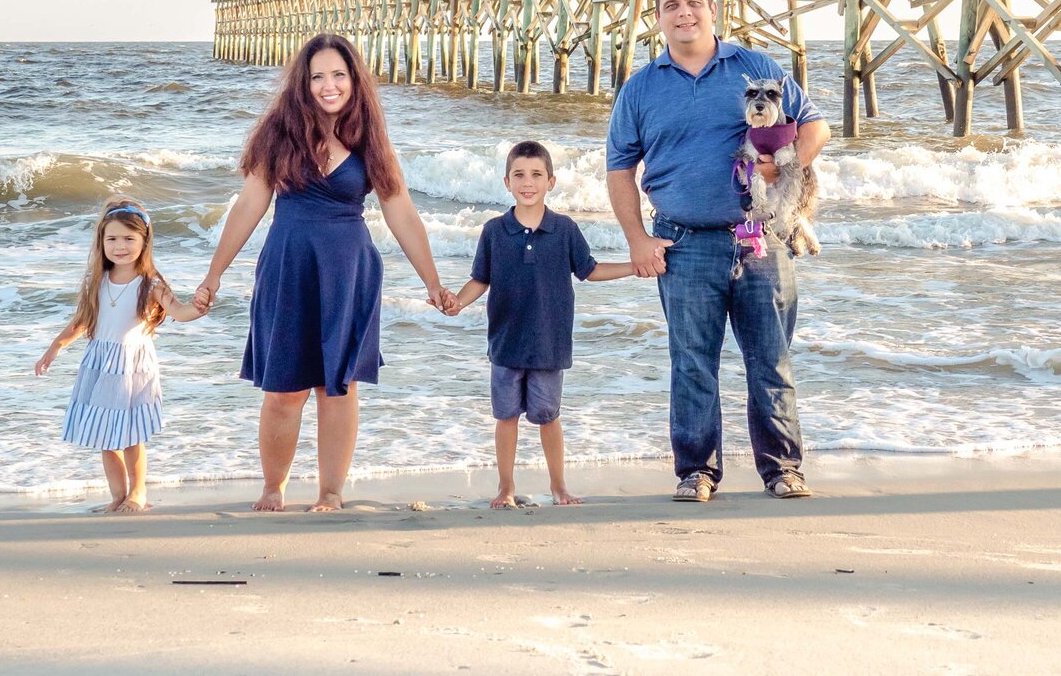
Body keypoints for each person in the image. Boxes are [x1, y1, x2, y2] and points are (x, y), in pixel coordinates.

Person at [196, 33, 454, 512]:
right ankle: (273, 487)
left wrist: (433, 282)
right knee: (283, 390)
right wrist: (214, 275)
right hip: (288, 267)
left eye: (338, 75)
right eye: (318, 76)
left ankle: (331, 492)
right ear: (304, 81)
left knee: (338, 386)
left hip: (348, 270)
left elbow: (401, 211)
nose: (328, 85)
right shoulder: (280, 131)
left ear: (354, 79)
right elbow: (250, 204)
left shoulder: (369, 133)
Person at [605, 0, 830, 503]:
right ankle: (697, 472)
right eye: (671, 6)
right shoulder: (640, 89)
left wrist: (786, 165)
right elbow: (619, 171)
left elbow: (816, 124)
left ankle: (783, 470)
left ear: (712, 9)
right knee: (691, 366)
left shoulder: (756, 67)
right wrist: (638, 240)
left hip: (762, 239)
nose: (684, 13)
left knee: (771, 361)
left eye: (693, 3)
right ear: (657, 18)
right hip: (683, 245)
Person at [445, 140, 633, 508]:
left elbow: (589, 271)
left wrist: (634, 267)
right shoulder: (494, 231)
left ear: (551, 181)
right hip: (505, 342)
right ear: (506, 182)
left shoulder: (563, 229)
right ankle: (505, 487)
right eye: (519, 175)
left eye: (535, 175)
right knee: (506, 417)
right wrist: (456, 303)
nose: (527, 182)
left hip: (549, 343)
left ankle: (559, 486)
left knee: (549, 418)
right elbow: (480, 280)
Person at [34, 197, 209, 514]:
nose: (120, 246)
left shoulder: (150, 284)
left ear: (144, 241)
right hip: (100, 365)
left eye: (129, 238)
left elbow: (179, 312)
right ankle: (117, 496)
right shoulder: (95, 281)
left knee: (131, 435)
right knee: (104, 434)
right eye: (112, 238)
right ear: (101, 241)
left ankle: (137, 494)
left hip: (131, 367)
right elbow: (82, 320)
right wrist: (56, 346)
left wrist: (197, 308)